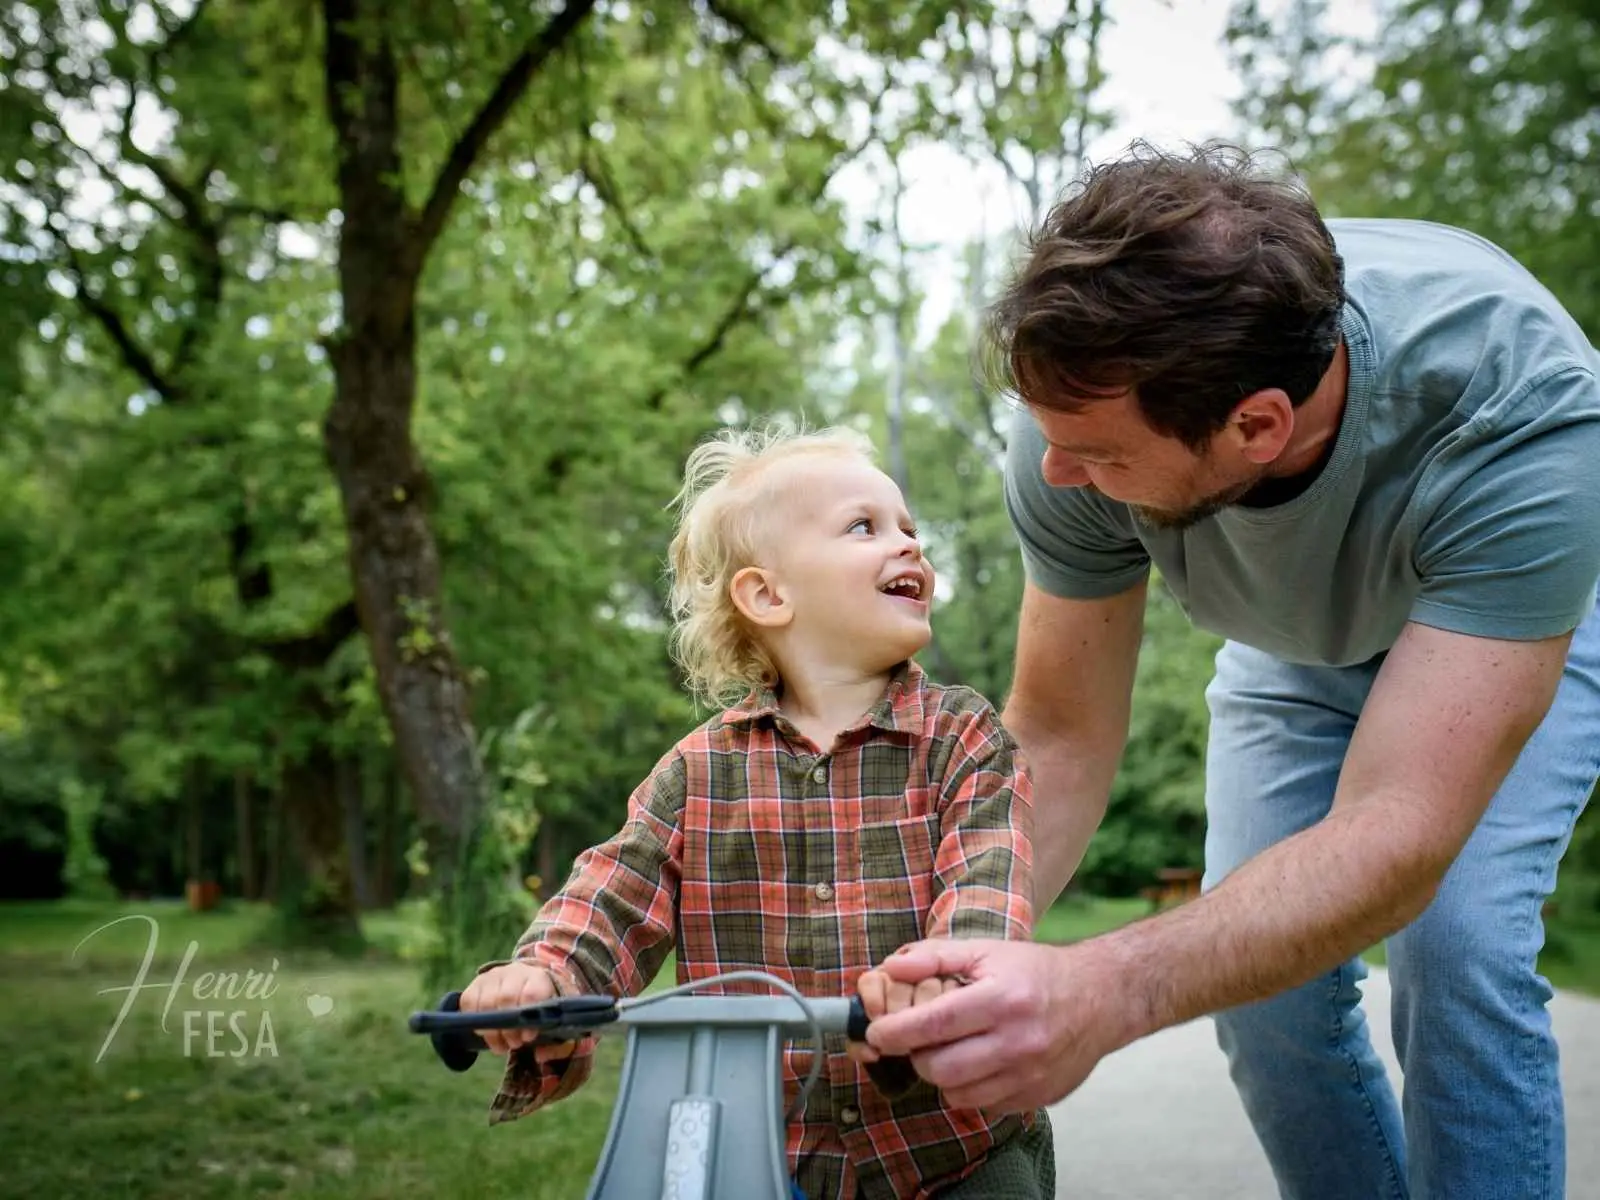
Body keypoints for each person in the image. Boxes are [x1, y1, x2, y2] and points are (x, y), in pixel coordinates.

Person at [861, 140, 1600, 1200]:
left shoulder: (1522, 412)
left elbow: (1400, 825)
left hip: (1510, 626)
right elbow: (1062, 736)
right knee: (1262, 993)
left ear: (1257, 424)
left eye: (1102, 458)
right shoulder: (1076, 418)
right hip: (1292, 643)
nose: (1058, 475)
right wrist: (947, 946)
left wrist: (1104, 988)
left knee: (1458, 950)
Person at [458, 424, 1055, 1200]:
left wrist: (949, 980)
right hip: (760, 1160)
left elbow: (987, 885)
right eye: (864, 527)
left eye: (910, 528)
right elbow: (613, 891)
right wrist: (542, 977)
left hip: (953, 1152)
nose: (911, 546)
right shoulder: (697, 774)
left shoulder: (962, 738)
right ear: (768, 595)